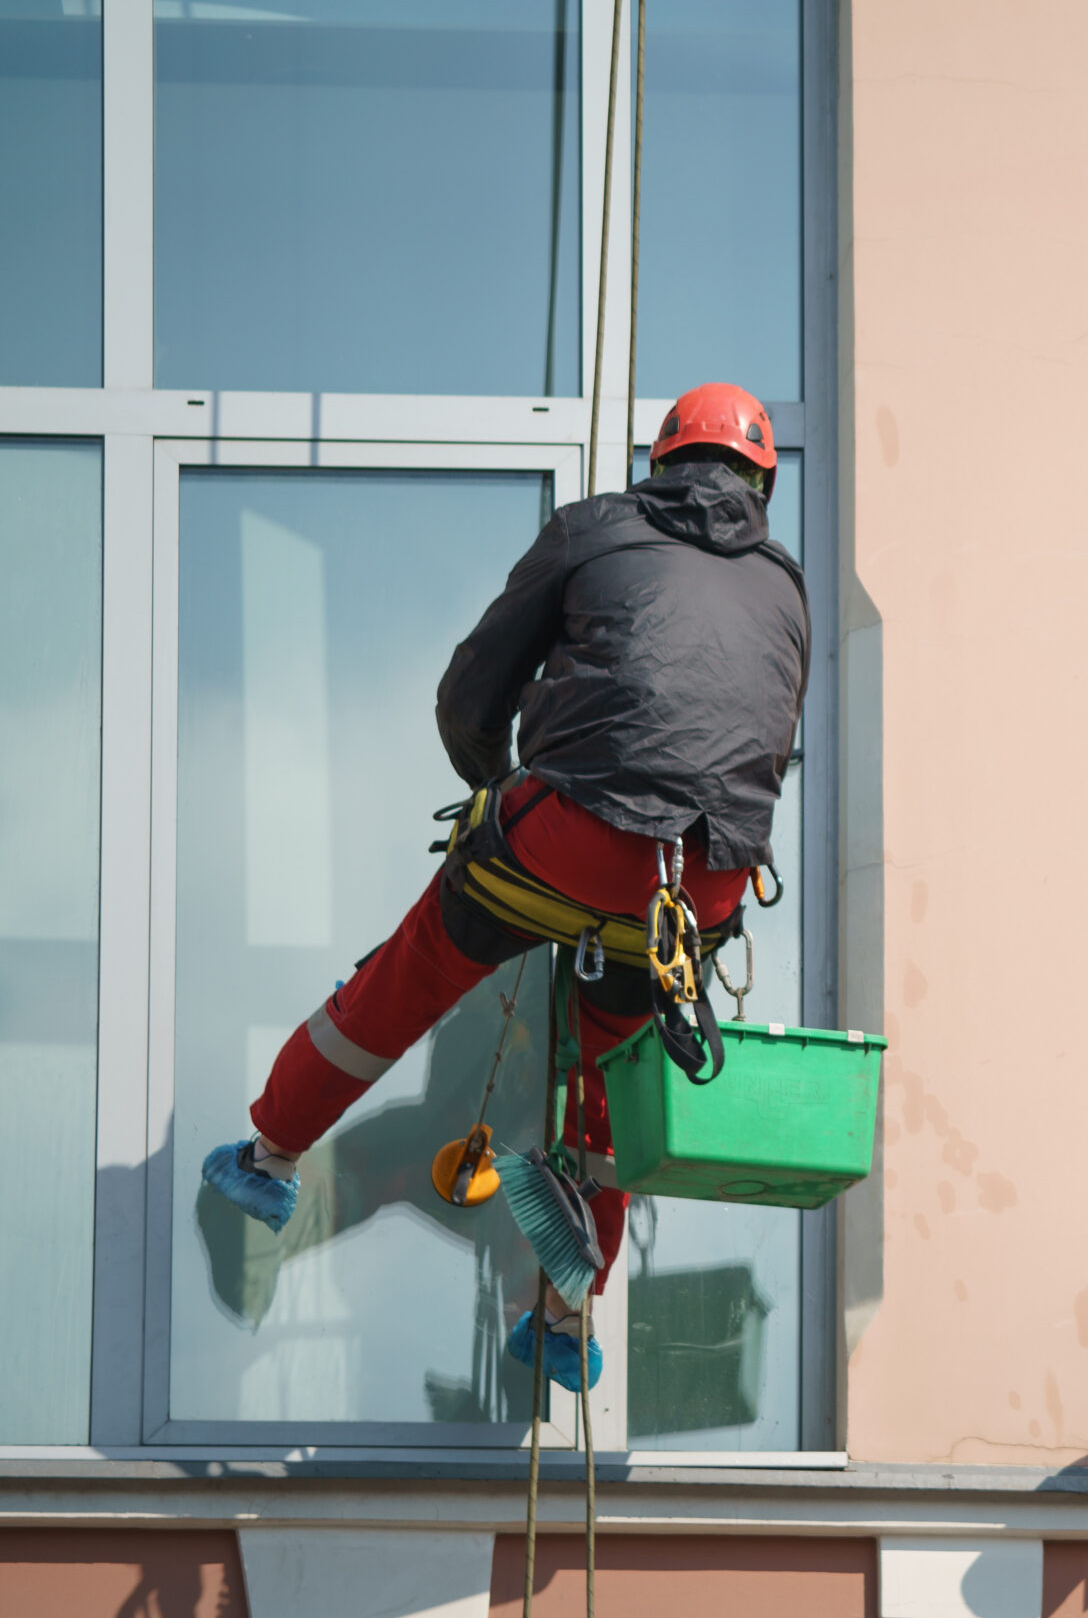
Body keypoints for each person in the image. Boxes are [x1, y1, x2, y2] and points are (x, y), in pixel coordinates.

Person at [201, 381, 808, 1392]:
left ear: (660, 463)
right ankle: (564, 1317)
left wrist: (495, 782)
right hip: (700, 885)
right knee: (607, 1086)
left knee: (416, 972)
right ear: (761, 483)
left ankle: (267, 1159)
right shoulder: (786, 583)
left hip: (577, 837)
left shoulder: (592, 531)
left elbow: (470, 691)